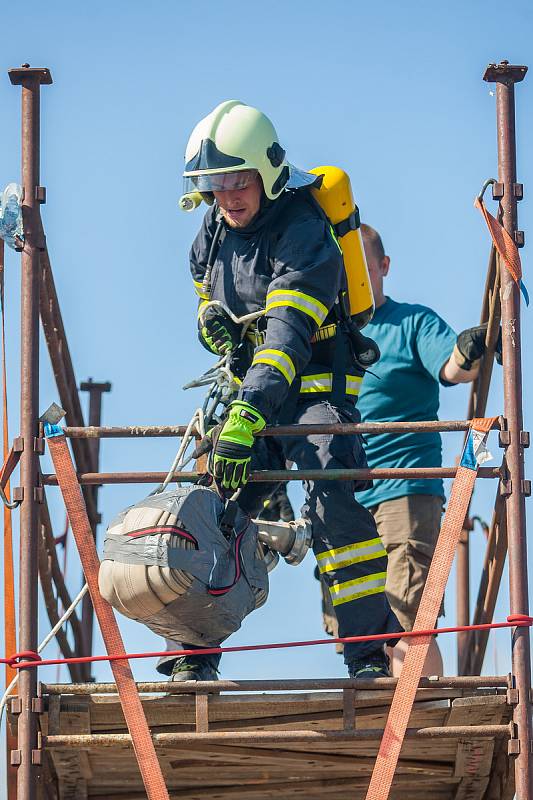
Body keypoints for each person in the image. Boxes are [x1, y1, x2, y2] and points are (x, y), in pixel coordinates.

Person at [158, 100, 402, 682]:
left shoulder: (305, 234)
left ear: (266, 172)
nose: (227, 195)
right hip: (253, 397)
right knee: (209, 509)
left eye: (237, 180)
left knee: (334, 494)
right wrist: (207, 322)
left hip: (315, 392)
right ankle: (196, 655)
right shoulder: (213, 230)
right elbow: (203, 291)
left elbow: (288, 339)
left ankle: (367, 653)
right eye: (214, 184)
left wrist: (247, 415)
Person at [318, 223, 499, 676]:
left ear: (383, 267)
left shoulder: (412, 323)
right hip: (345, 499)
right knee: (360, 634)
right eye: (345, 267)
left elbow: (455, 367)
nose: (354, 276)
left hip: (403, 490)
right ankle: (385, 735)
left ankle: (423, 731)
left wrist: (467, 349)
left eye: (363, 265)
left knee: (408, 622)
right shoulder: (327, 337)